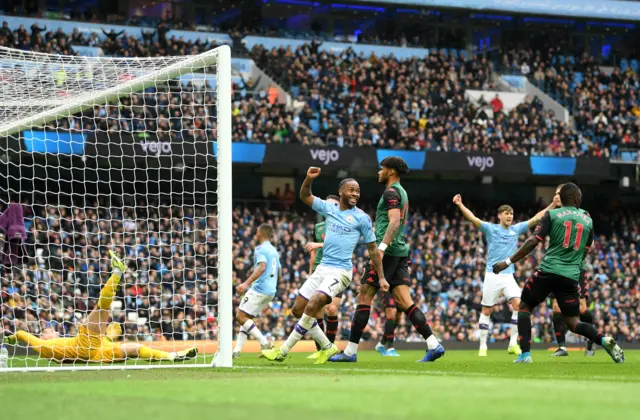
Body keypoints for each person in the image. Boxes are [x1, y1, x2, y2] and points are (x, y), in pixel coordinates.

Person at [261, 167, 386, 364]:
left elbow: (372, 250)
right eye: (351, 190)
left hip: (341, 271)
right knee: (297, 309)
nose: (355, 194)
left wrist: (381, 276)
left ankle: (282, 351)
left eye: (358, 191)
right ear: (341, 191)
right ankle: (328, 347)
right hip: (322, 268)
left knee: (314, 303)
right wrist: (308, 179)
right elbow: (305, 196)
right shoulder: (330, 208)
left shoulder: (362, 218)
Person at [493, 183, 624, 364]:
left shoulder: (553, 214)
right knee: (574, 323)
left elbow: (533, 241)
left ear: (560, 199)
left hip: (548, 271)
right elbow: (586, 249)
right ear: (577, 199)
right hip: (570, 277)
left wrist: (507, 261)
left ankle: (525, 355)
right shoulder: (588, 220)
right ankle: (603, 339)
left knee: (524, 307)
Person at [330, 156, 445, 363]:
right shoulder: (402, 192)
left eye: (381, 168)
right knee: (405, 302)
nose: (379, 172)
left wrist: (381, 249)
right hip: (400, 251)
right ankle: (433, 344)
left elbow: (393, 222)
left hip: (388, 252)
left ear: (391, 171)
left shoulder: (391, 192)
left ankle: (349, 352)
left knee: (364, 296)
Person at [5, 251, 198, 364]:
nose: (50, 331)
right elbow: (23, 334)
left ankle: (172, 356)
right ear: (44, 337)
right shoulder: (43, 346)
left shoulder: (54, 345)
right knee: (101, 307)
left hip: (96, 352)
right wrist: (10, 338)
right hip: (83, 345)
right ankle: (117, 273)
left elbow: (94, 347)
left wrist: (109, 336)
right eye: (47, 332)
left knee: (135, 348)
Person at [453, 194, 557, 357]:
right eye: (506, 213)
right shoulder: (490, 228)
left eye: (511, 214)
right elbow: (473, 218)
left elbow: (536, 218)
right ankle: (482, 346)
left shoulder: (516, 229)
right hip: (492, 275)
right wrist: (460, 204)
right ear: (499, 216)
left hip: (508, 276)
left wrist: (551, 204)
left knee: (519, 305)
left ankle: (512, 344)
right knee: (486, 310)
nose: (510, 216)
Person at [548, 185, 597, 357]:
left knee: (582, 308)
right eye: (555, 194)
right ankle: (562, 347)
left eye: (559, 194)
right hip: (556, 267)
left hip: (576, 267)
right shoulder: (553, 215)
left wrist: (577, 257)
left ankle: (591, 341)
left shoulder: (583, 214)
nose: (556, 196)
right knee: (556, 307)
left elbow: (590, 242)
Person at [302, 195, 343, 360]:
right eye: (329, 205)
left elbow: (339, 244)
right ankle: (321, 349)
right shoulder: (318, 227)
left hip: (337, 270)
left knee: (332, 309)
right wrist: (310, 273)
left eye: (335, 205)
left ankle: (330, 349)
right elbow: (313, 252)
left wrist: (318, 245)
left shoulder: (342, 226)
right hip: (319, 270)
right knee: (316, 312)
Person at [233, 223, 282, 357]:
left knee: (240, 316)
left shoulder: (260, 249)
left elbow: (261, 267)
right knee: (246, 317)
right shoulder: (273, 250)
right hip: (271, 290)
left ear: (259, 234)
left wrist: (245, 284)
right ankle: (237, 351)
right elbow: (279, 271)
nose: (255, 235)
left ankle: (264, 342)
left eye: (256, 233)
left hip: (260, 288)